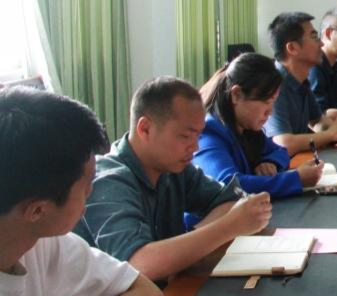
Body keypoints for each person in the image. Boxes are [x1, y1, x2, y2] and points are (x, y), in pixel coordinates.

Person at [0, 88, 210, 296]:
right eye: (86, 185)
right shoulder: (34, 235)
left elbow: (142, 293)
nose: (92, 192)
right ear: (37, 210)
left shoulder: (35, 240)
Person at [75, 77, 273, 281]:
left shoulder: (173, 167)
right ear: (145, 129)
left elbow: (229, 201)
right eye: (185, 136)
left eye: (198, 135)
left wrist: (188, 245)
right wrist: (227, 227)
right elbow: (139, 264)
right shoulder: (107, 181)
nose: (195, 147)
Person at [195, 53, 324, 199]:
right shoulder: (207, 132)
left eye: (273, 102)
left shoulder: (247, 128)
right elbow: (229, 184)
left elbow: (280, 151)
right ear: (236, 95)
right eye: (266, 102)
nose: (270, 112)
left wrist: (270, 162)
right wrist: (295, 179)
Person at [263, 12, 337, 155]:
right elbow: (283, 143)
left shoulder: (301, 80)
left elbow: (316, 121)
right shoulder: (273, 84)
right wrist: (330, 135)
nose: (321, 43)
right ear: (292, 48)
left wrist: (336, 126)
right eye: (314, 37)